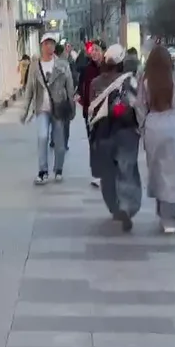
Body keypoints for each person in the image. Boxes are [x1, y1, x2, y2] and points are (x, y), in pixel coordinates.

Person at [137, 47, 175, 234]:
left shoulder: (146, 81)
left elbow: (140, 107)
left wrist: (142, 127)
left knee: (159, 173)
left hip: (154, 128)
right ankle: (172, 217)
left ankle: (163, 211)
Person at [87, 45, 143, 232]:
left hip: (103, 133)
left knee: (107, 174)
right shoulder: (130, 81)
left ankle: (114, 207)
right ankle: (126, 206)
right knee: (127, 170)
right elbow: (137, 105)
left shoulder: (95, 83)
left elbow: (90, 109)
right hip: (126, 132)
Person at [19, 33, 76, 184]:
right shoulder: (35, 65)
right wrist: (25, 111)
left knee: (59, 142)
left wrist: (72, 107)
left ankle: (58, 169)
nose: (49, 46)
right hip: (41, 108)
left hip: (58, 107)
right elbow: (29, 89)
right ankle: (43, 171)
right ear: (41, 46)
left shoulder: (62, 64)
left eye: (51, 43)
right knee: (42, 137)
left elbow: (69, 87)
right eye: (46, 43)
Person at [76, 42, 104, 187]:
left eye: (97, 50)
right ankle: (97, 173)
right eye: (92, 50)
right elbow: (81, 89)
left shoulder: (108, 68)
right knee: (93, 142)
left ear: (103, 52)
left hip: (106, 111)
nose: (94, 53)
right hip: (90, 112)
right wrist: (80, 99)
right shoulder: (86, 70)